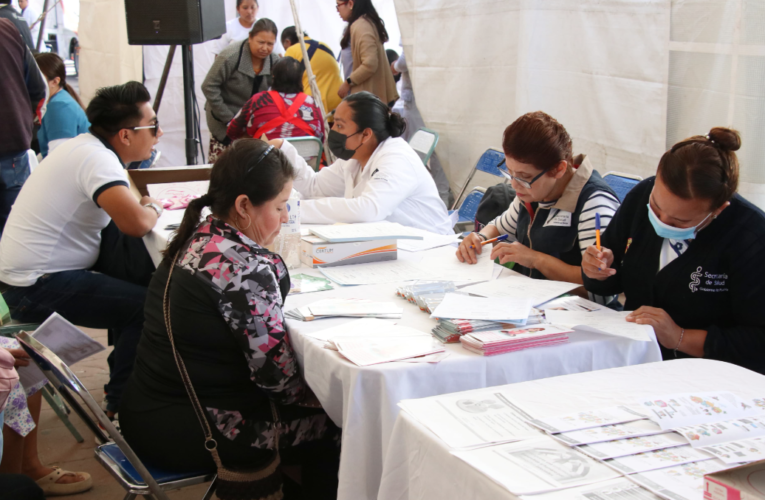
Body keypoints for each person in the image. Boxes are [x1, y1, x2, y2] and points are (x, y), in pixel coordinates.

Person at [120, 139, 341, 499]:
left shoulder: (199, 234)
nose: (286, 217)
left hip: (145, 411)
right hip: (201, 429)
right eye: (281, 206)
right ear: (243, 206)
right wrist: (336, 396)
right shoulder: (244, 268)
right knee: (341, 425)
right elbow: (279, 383)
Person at [0, 81, 163, 419]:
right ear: (126, 135)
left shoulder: (85, 148)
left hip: (27, 277)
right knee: (147, 306)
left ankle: (119, 390)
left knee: (131, 284)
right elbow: (136, 223)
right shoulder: (97, 159)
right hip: (36, 284)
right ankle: (124, 406)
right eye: (153, 126)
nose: (158, 134)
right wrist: (153, 207)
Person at [582, 128, 765, 374]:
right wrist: (595, 270)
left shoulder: (751, 236)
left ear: (718, 210)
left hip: (709, 376)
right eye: (656, 208)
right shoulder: (641, 197)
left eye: (679, 222)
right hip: (633, 359)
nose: (663, 222)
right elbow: (608, 281)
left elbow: (757, 342)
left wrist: (680, 337)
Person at [456, 112, 620, 305]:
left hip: (579, 318)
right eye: (510, 172)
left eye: (524, 176)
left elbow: (599, 290)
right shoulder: (535, 191)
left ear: (559, 169)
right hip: (533, 304)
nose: (515, 185)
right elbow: (500, 228)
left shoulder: (594, 203)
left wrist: (536, 260)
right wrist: (479, 239)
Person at [272, 91, 453, 234]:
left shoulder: (396, 158)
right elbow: (314, 187)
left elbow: (367, 210)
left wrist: (288, 209)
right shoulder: (355, 157)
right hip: (391, 244)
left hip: (430, 246)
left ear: (366, 134)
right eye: (334, 123)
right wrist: (283, 150)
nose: (332, 131)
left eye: (340, 126)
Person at [203, 18, 280, 163]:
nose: (265, 48)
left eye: (270, 44)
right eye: (261, 42)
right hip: (223, 119)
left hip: (252, 125)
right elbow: (208, 86)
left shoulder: (274, 61)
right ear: (250, 37)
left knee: (248, 168)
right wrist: (229, 119)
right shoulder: (230, 56)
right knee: (222, 167)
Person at [390, 48, 453, 207]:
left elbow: (406, 60)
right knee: (438, 153)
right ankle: (440, 201)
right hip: (440, 97)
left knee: (418, 153)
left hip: (418, 100)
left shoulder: (415, 29)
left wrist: (395, 66)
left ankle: (426, 200)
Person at [0, 19, 46, 234]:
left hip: (14, 143)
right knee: (15, 230)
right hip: (14, 145)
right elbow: (39, 88)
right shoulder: (8, 28)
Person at [227, 57, 325, 141]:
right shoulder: (312, 102)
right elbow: (321, 136)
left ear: (274, 76)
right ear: (300, 79)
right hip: (305, 161)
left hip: (267, 160)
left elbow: (232, 131)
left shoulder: (258, 100)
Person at [336, 0, 398, 106]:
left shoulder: (362, 26)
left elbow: (370, 63)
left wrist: (348, 82)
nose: (337, 10)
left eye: (338, 5)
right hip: (367, 98)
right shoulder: (363, 23)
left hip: (367, 100)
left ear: (350, 4)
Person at [34, 52, 90, 157]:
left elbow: (59, 156)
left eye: (36, 77)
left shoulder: (59, 106)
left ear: (55, 82)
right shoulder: (59, 100)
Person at [281, 26, 343, 115]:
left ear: (288, 42)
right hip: (338, 102)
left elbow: (286, 82)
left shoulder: (292, 50)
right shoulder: (325, 46)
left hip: (312, 105)